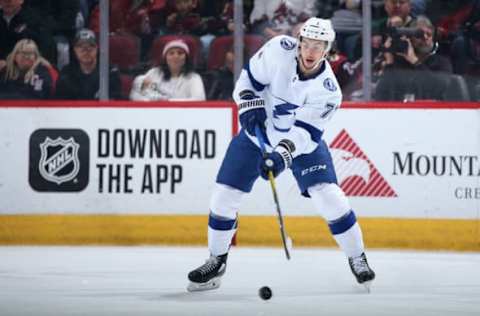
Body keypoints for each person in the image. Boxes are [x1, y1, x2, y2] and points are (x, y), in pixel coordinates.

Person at [187, 17, 375, 292]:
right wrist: (249, 106)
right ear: (299, 43)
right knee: (224, 194)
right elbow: (248, 81)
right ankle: (217, 260)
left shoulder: (329, 92)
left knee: (329, 197)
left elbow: (304, 134)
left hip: (301, 146)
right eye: (307, 44)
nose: (310, 52)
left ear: (328, 50)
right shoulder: (277, 49)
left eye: (318, 46)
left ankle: (357, 258)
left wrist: (280, 156)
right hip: (255, 136)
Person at [374, 15, 454, 100]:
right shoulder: (399, 64)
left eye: (429, 34)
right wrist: (389, 62)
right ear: (410, 38)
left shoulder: (442, 63)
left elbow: (438, 88)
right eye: (419, 35)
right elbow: (381, 96)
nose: (425, 38)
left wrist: (415, 61)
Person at [55, 28, 122, 100]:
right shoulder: (66, 74)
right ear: (75, 49)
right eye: (81, 46)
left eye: (91, 46)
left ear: (97, 48)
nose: (86, 51)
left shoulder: (110, 73)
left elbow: (114, 104)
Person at [129, 39, 205, 101]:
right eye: (171, 53)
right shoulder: (154, 73)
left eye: (180, 53)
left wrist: (168, 102)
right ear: (165, 58)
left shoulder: (194, 77)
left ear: (186, 58)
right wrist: (149, 102)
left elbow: (199, 100)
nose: (176, 56)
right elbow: (135, 94)